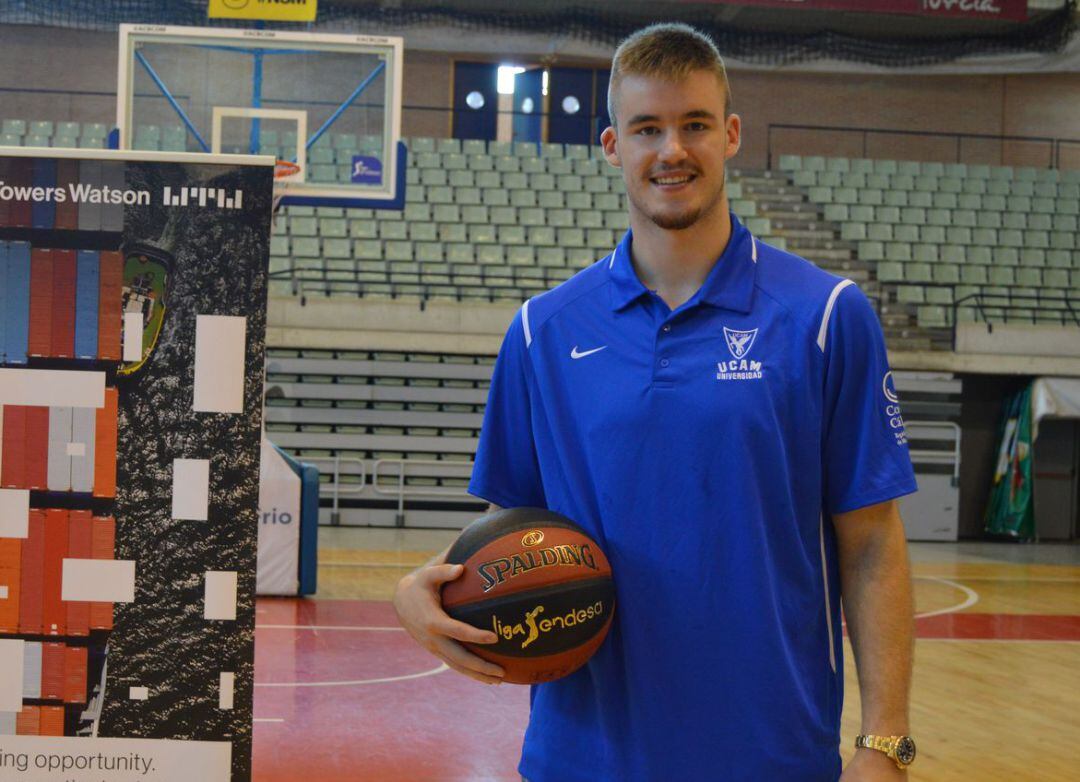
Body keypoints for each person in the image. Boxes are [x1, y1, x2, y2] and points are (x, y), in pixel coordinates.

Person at [395, 23, 918, 782]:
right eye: (648, 129)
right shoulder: (543, 331)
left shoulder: (828, 317)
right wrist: (421, 589)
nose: (672, 150)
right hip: (582, 757)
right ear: (613, 145)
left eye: (694, 125)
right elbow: (519, 538)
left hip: (771, 756)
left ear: (731, 134)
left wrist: (886, 743)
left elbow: (871, 544)